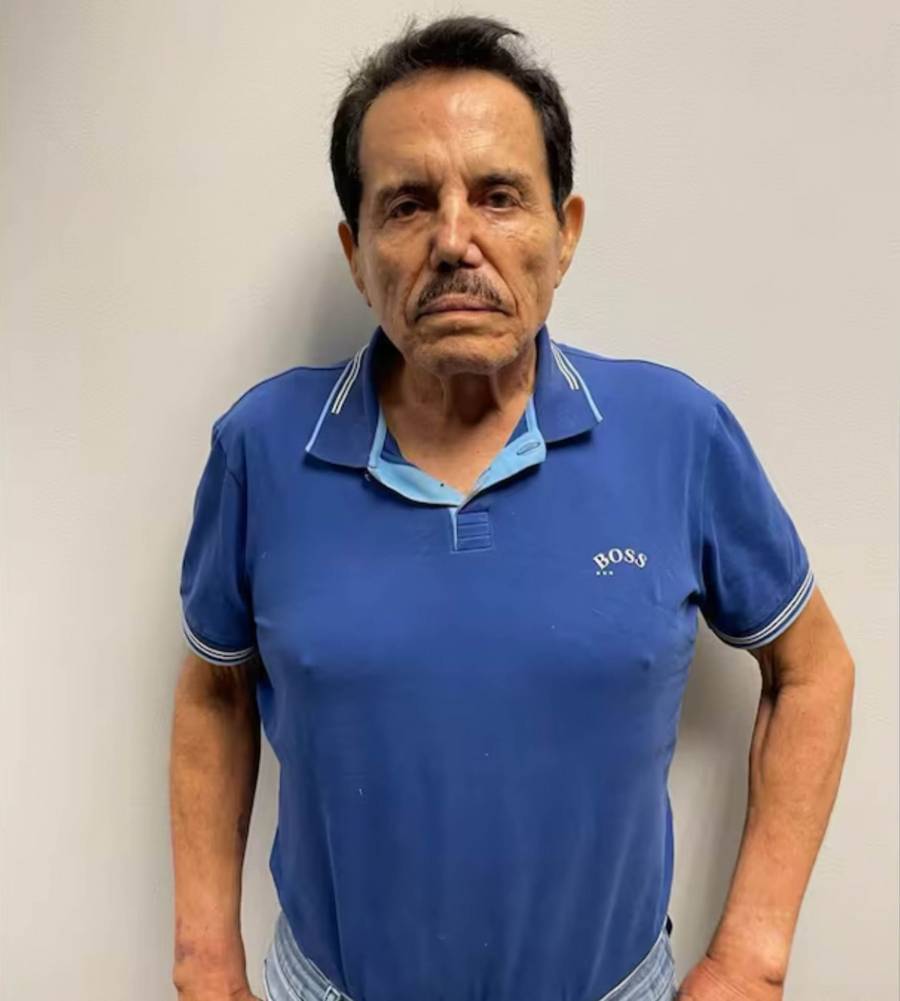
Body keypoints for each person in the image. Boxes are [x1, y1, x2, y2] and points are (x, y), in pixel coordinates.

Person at [168, 15, 854, 1001]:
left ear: (564, 233)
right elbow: (214, 693)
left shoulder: (676, 432)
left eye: (498, 196)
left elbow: (814, 669)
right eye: (409, 204)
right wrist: (205, 964)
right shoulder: (262, 448)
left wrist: (751, 958)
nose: (456, 241)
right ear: (356, 251)